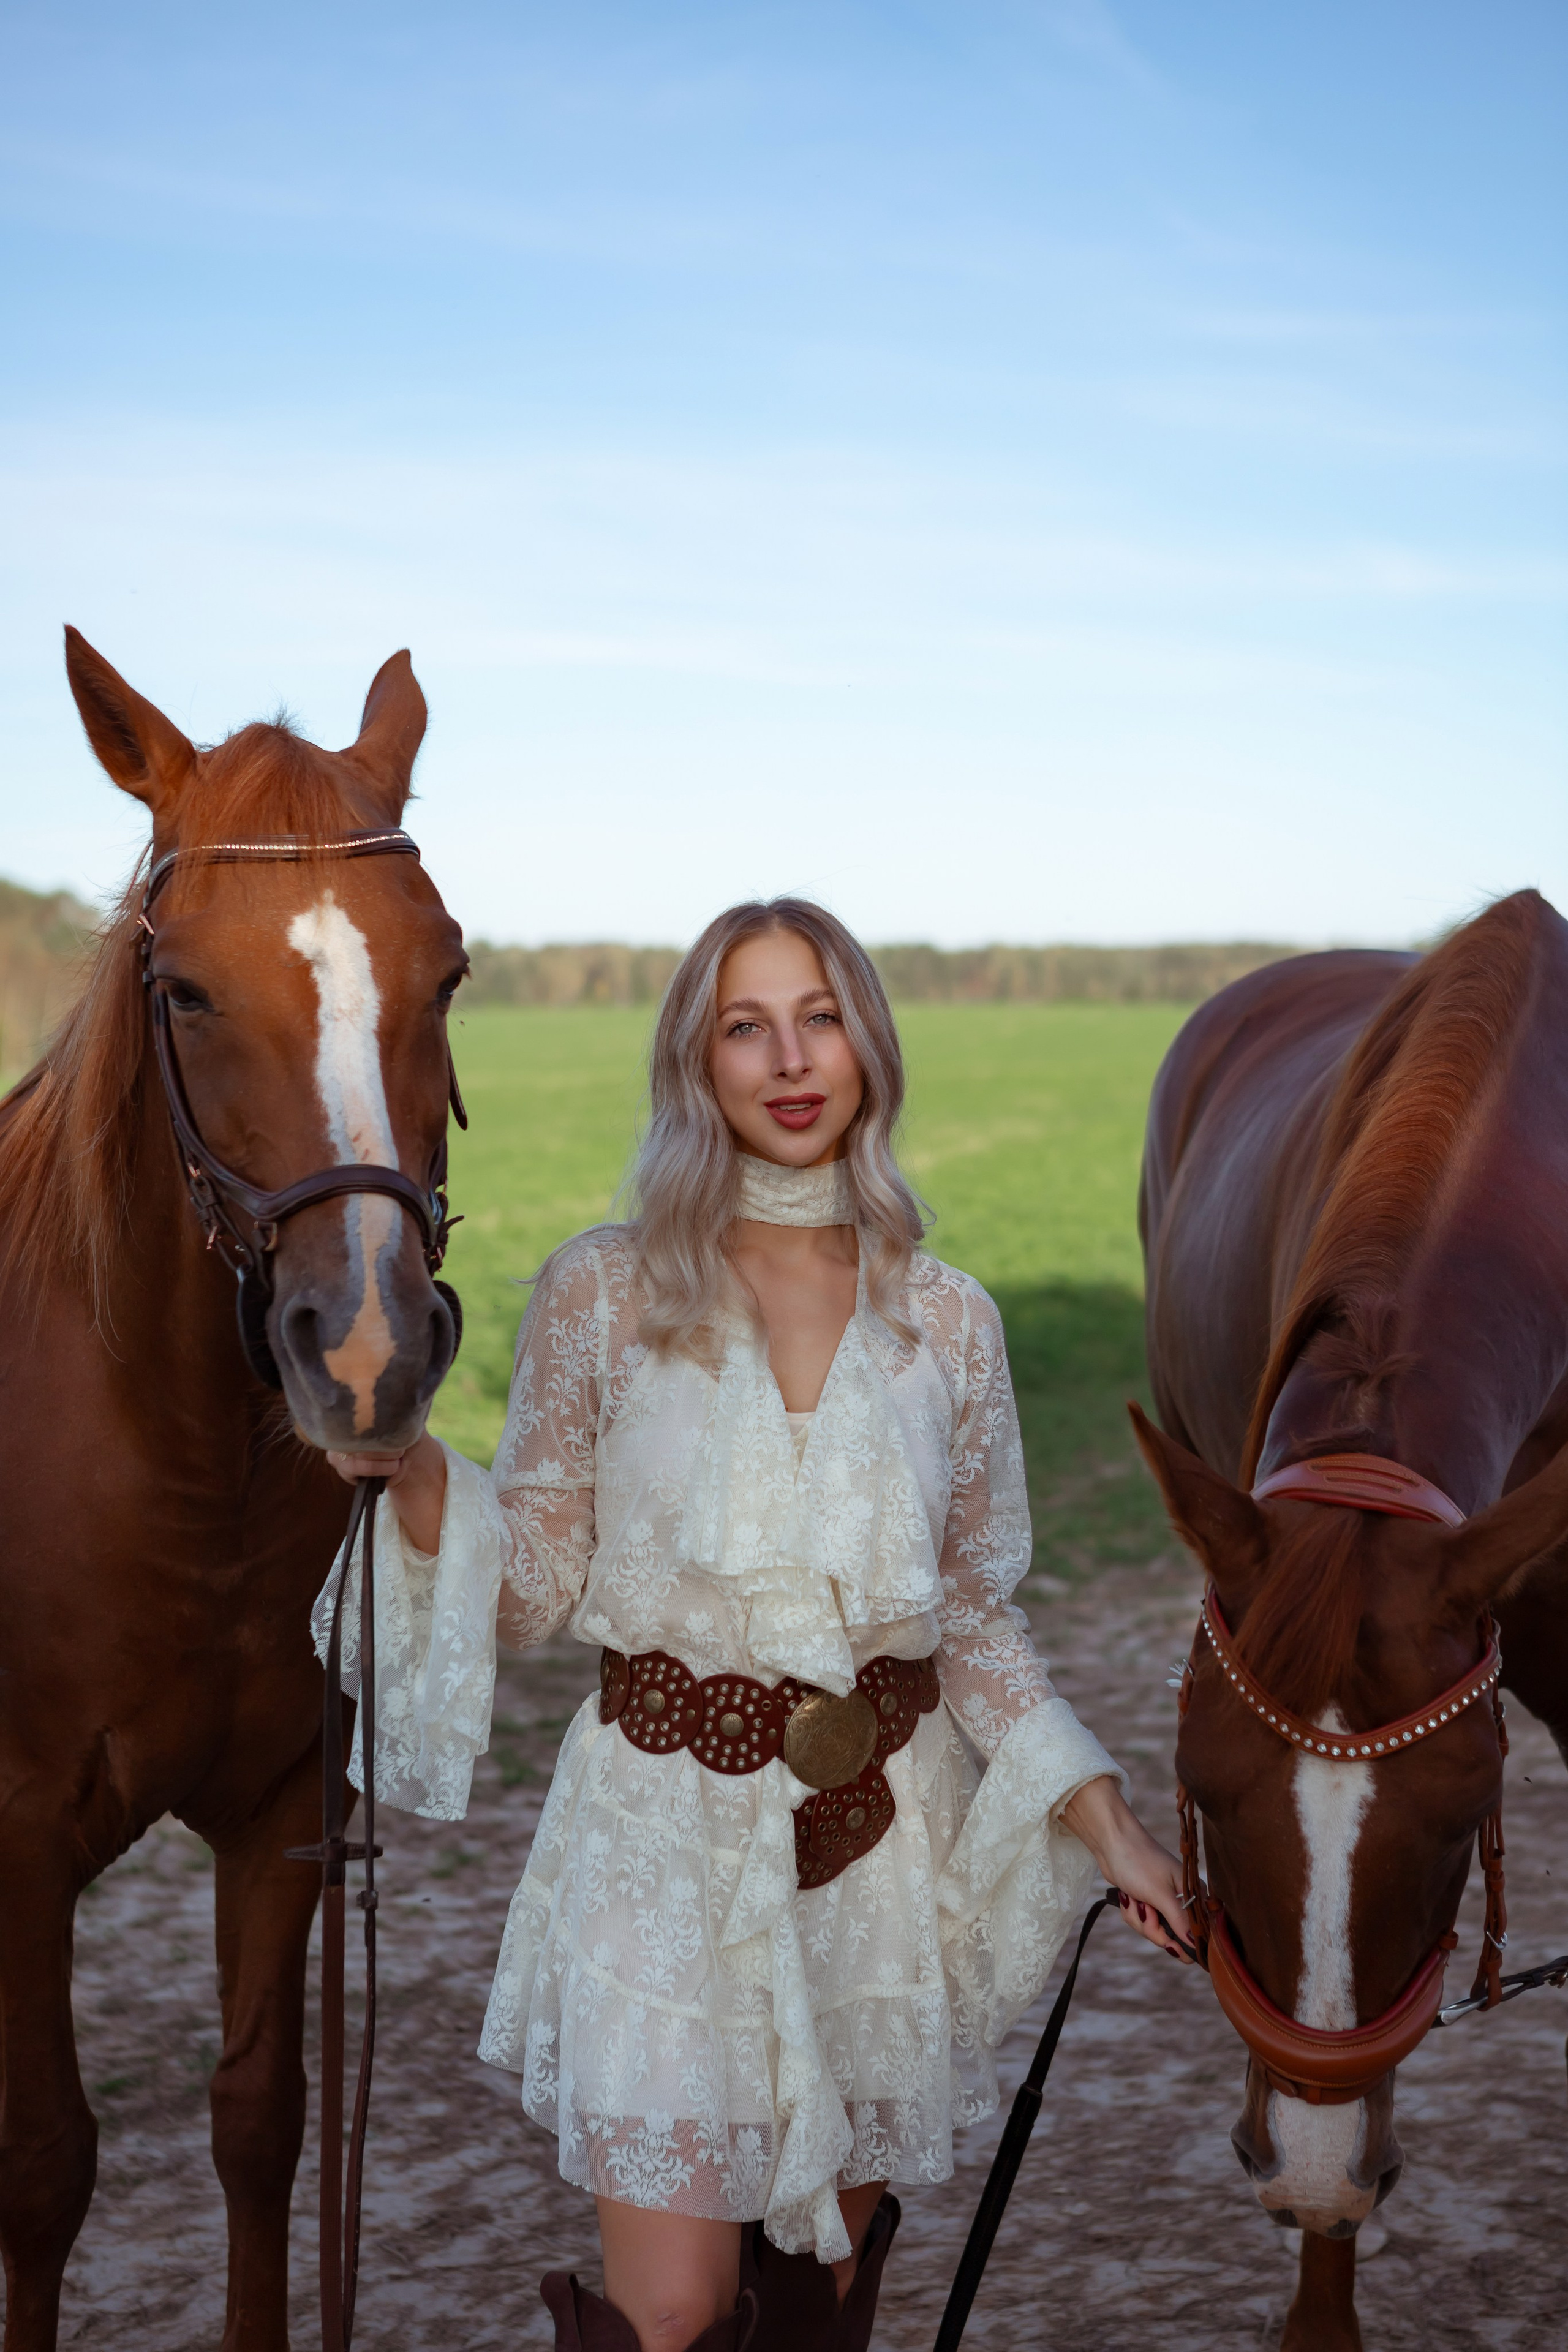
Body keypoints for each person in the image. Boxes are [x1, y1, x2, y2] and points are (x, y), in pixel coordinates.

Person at [323, 897, 1190, 2352]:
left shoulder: (949, 1326)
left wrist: (1111, 1830)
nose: (790, 1059)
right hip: (658, 1838)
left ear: (866, 1046)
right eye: (746, 1025)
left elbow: (972, 1620)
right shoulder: (604, 1291)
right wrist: (414, 1466)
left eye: (819, 1016)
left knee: (819, 2301)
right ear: (697, 1064)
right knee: (672, 2312)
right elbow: (534, 1585)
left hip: (873, 1842)